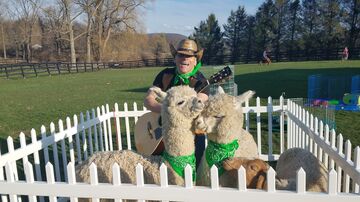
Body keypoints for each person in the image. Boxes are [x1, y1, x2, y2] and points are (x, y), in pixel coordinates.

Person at [144, 38, 209, 167]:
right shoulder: (165, 75)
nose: (184, 59)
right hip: (161, 133)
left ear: (195, 60)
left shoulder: (202, 82)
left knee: (193, 168)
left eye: (189, 56)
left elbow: (199, 106)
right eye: (181, 55)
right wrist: (166, 110)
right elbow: (148, 100)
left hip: (191, 135)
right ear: (175, 57)